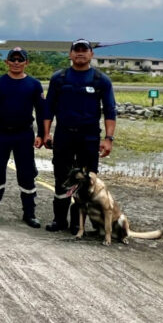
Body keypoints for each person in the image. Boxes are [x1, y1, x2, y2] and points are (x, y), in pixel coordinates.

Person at [43, 38, 116, 233]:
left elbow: (110, 110)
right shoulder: (59, 78)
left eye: (85, 50)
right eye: (77, 50)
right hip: (64, 135)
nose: (80, 53)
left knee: (85, 180)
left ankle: (78, 222)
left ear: (91, 54)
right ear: (70, 54)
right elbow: (48, 108)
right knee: (61, 177)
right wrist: (46, 133)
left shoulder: (101, 80)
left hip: (89, 137)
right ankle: (59, 220)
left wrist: (108, 139)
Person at [0, 47, 44, 228]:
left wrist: (40, 135)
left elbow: (41, 111)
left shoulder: (34, 84)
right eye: (13, 59)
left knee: (27, 174)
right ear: (6, 62)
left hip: (24, 134)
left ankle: (29, 213)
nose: (16, 62)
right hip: (1, 134)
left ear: (26, 62)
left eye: (20, 59)